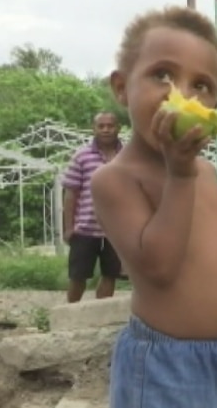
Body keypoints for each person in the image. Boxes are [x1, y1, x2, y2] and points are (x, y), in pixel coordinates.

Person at [89, 6, 217, 408]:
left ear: (216, 102)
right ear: (121, 87)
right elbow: (159, 268)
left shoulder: (206, 172)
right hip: (168, 364)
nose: (180, 95)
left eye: (201, 85)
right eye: (162, 75)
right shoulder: (115, 180)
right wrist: (179, 175)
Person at [62, 111, 124, 303]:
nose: (106, 130)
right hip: (86, 228)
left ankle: (99, 315)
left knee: (110, 274)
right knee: (78, 275)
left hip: (116, 229)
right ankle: (70, 316)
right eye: (101, 126)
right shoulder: (82, 156)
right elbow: (71, 193)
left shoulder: (128, 155)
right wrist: (68, 227)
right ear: (94, 128)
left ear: (118, 128)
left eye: (110, 125)